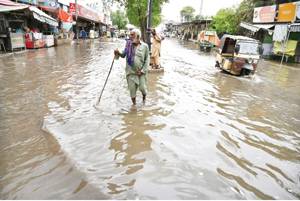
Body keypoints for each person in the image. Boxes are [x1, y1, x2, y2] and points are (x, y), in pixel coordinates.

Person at [114, 29, 150, 105]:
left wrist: (142, 71)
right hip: (130, 72)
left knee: (143, 88)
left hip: (141, 72)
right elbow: (123, 55)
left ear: (138, 36)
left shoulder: (145, 46)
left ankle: (144, 99)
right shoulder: (128, 45)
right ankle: (134, 106)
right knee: (132, 90)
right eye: (130, 34)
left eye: (132, 34)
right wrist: (118, 53)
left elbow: (147, 60)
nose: (130, 36)